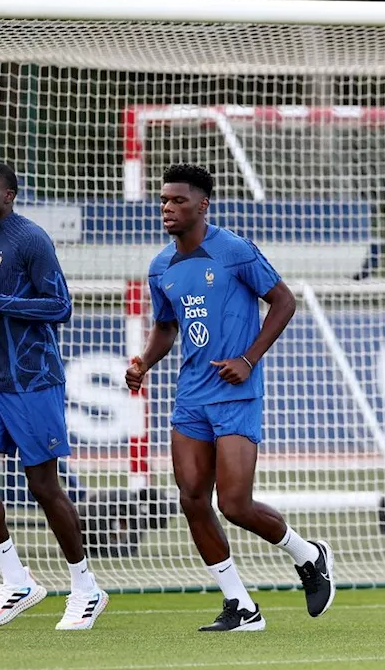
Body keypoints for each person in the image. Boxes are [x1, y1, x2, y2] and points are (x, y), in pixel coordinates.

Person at [124, 164, 332, 631]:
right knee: (193, 499)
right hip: (190, 398)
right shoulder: (161, 266)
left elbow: (283, 301)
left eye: (178, 201)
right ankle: (240, 606)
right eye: (163, 200)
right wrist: (143, 363)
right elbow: (166, 326)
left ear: (203, 205)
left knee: (234, 505)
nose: (167, 208)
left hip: (236, 394)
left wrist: (249, 358)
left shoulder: (234, 250)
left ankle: (307, 553)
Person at [0, 161, 107, 630]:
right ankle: (16, 580)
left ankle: (85, 588)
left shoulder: (30, 238)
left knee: (43, 486)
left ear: (9, 195)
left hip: (33, 381)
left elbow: (60, 306)